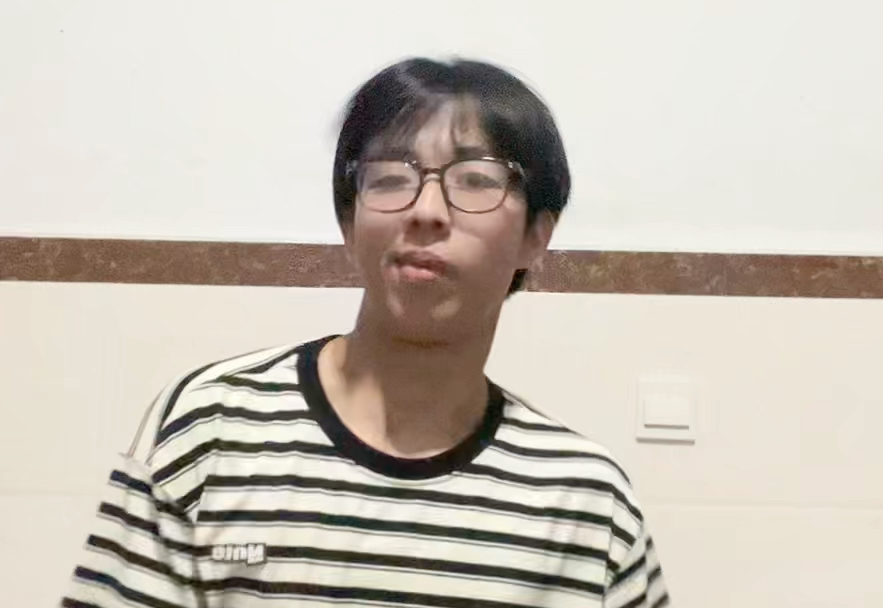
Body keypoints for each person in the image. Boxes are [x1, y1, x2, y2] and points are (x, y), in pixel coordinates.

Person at [60, 57, 670, 608]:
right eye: (391, 176)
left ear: (537, 235)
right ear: (349, 223)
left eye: (476, 179)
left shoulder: (586, 505)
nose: (426, 210)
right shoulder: (209, 426)